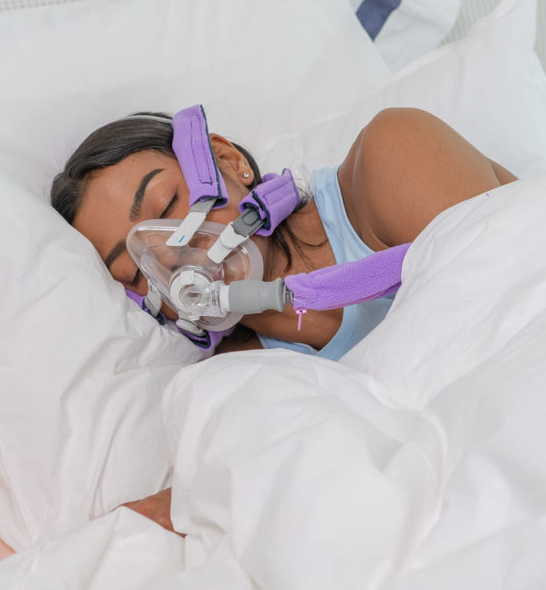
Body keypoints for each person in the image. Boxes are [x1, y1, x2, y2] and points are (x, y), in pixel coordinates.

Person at [50, 106, 517, 533]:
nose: (175, 258)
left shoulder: (392, 155)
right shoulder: (237, 382)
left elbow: (515, 301)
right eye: (136, 268)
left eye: (168, 204)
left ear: (228, 160)